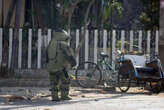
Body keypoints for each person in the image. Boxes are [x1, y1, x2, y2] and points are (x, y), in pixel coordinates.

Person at [46, 29, 76, 101]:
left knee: (53, 83)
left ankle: (54, 97)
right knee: (66, 81)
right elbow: (69, 55)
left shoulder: (51, 43)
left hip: (50, 67)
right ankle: (64, 96)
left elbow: (46, 54)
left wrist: (48, 64)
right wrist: (73, 63)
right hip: (61, 67)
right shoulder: (63, 44)